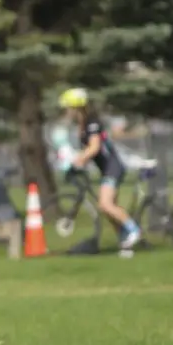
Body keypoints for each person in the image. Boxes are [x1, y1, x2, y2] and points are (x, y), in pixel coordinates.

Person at [58, 88, 141, 256]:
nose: (66, 111)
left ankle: (134, 231)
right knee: (107, 208)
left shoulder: (92, 123)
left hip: (113, 167)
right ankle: (125, 244)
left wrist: (79, 159)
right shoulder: (82, 125)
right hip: (106, 168)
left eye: (68, 107)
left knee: (105, 204)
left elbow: (94, 148)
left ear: (76, 107)